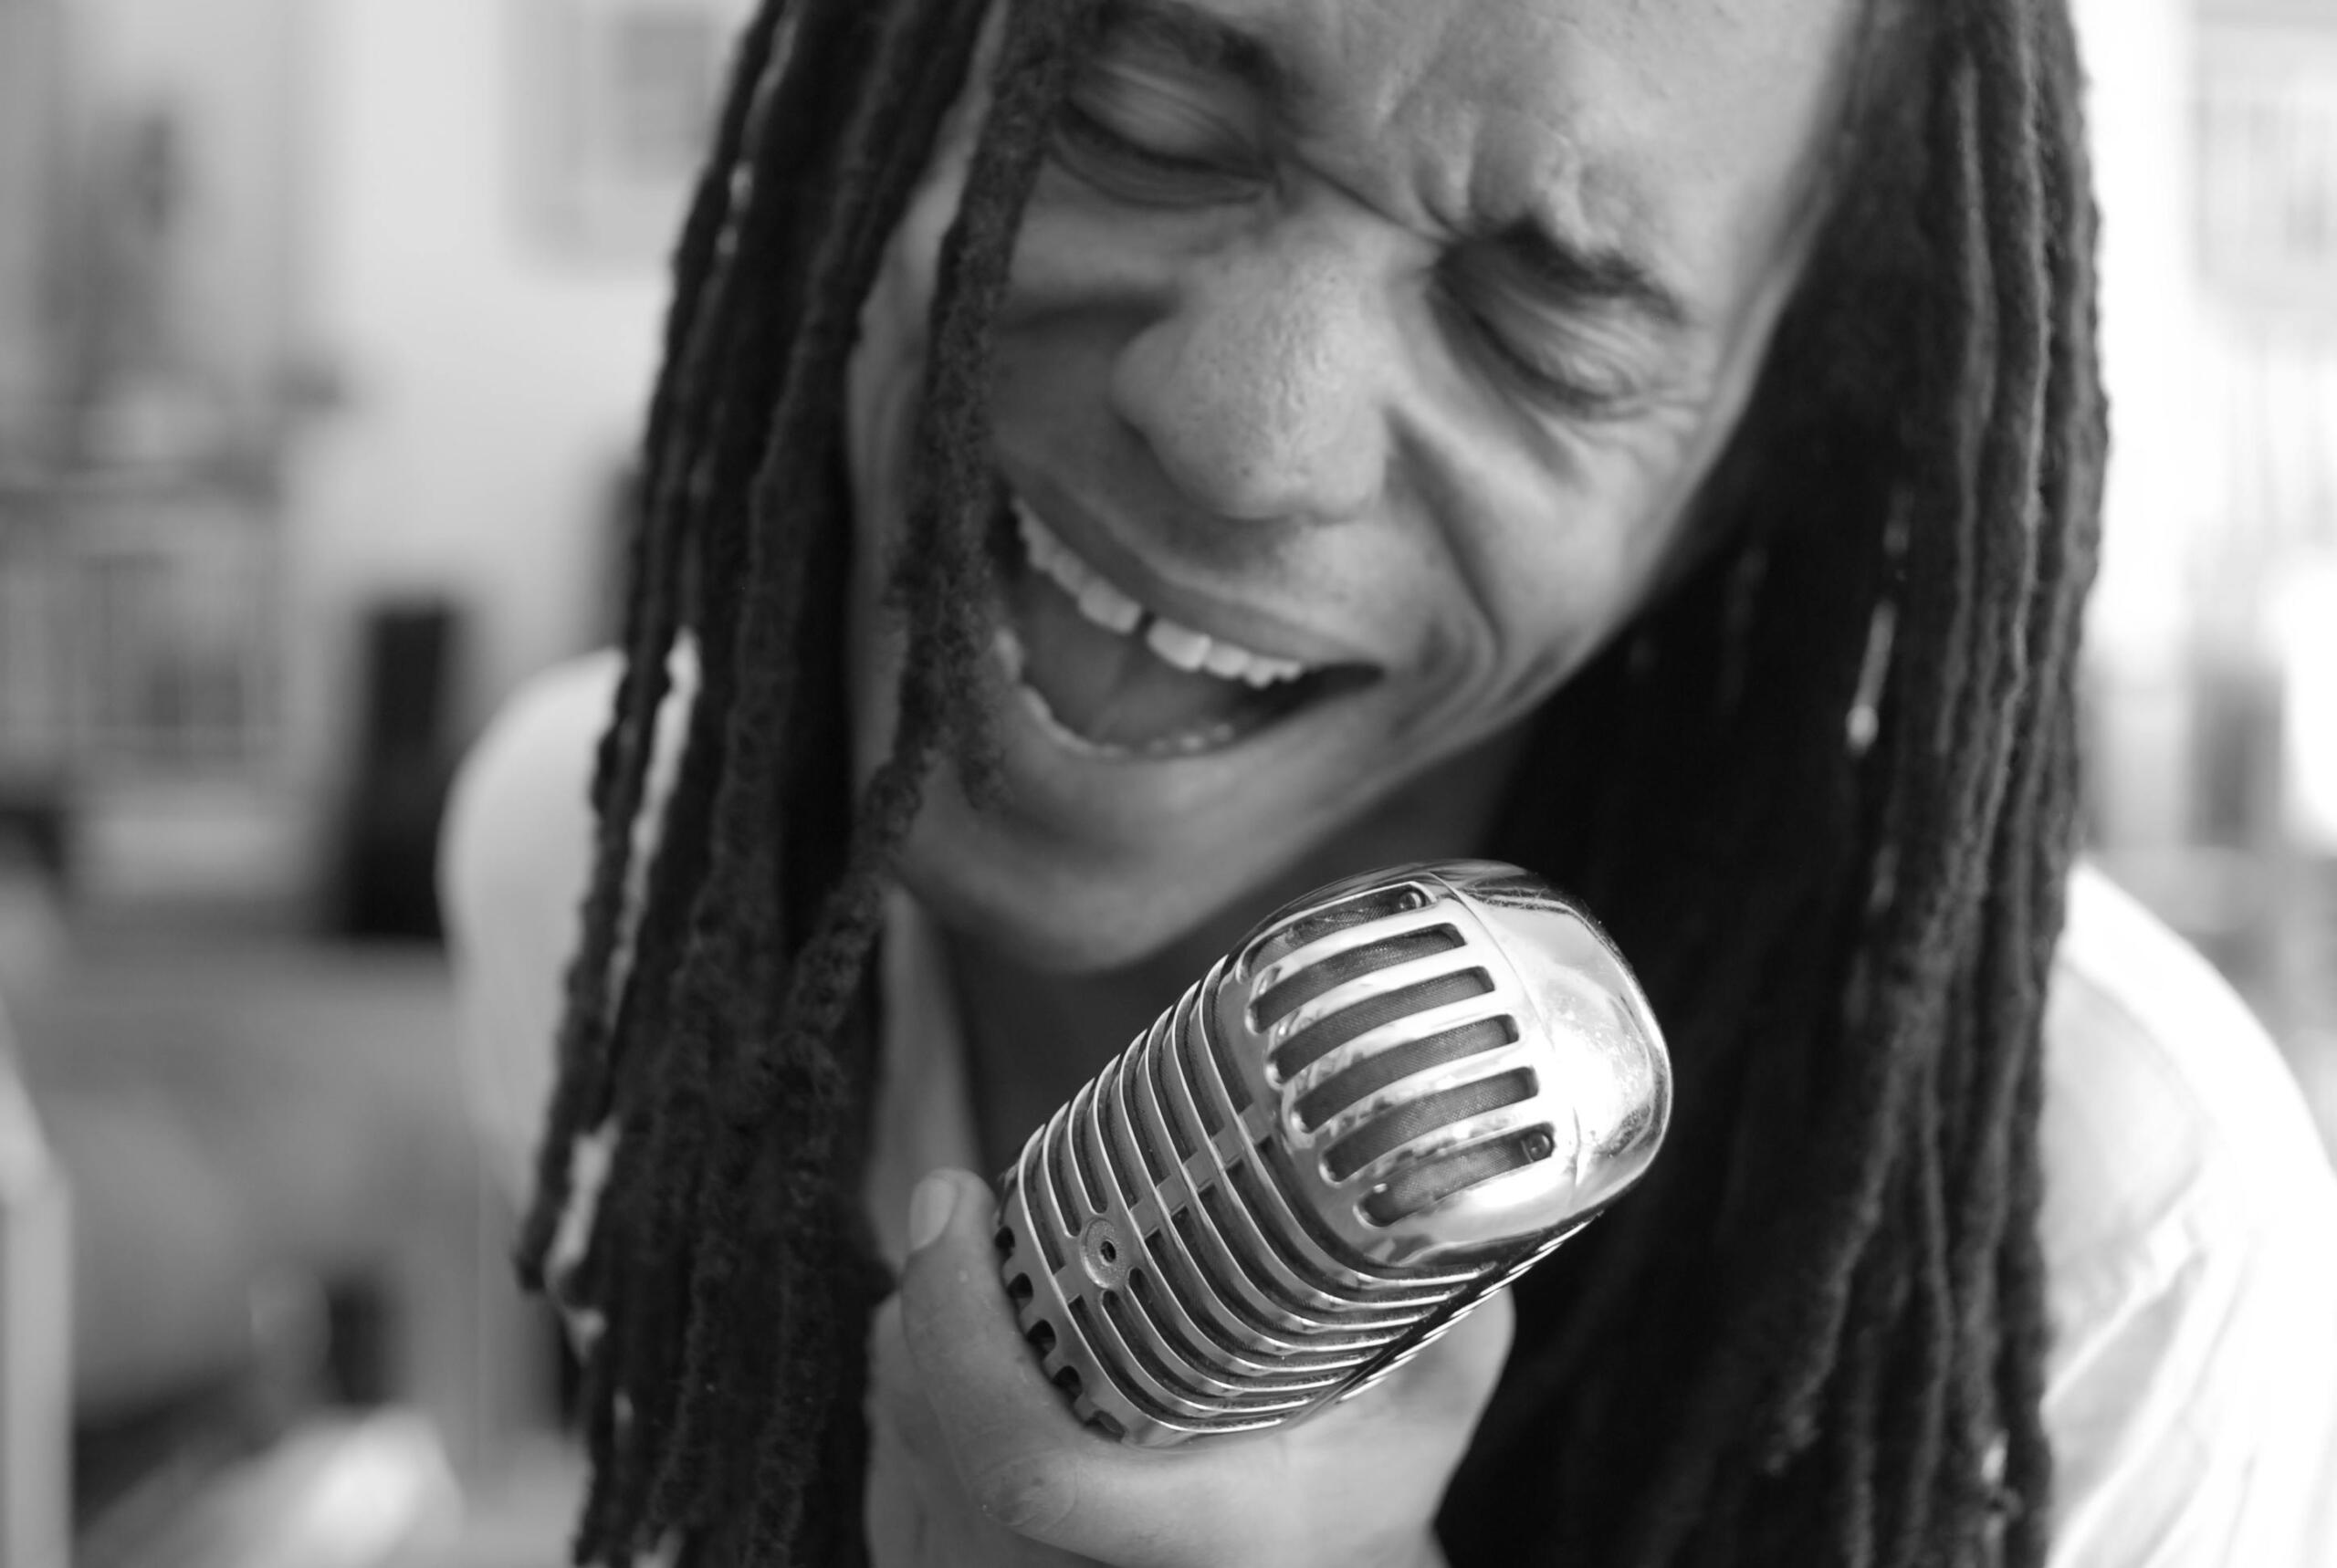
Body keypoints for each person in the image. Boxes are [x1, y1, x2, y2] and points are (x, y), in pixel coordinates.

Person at [441, 0, 2337, 1563]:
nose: (1241, 428)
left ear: (1737, 490)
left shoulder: (2099, 1212)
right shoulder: (596, 854)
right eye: (1140, 113)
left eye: (1544, 315)